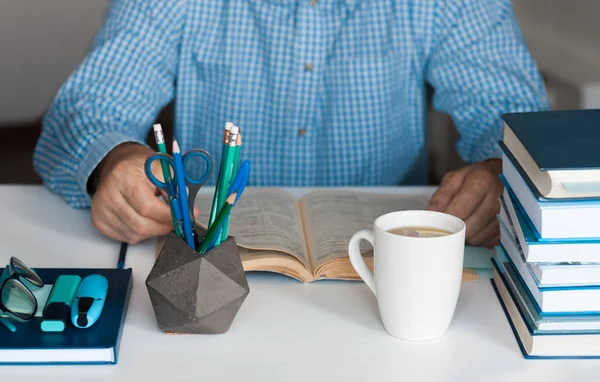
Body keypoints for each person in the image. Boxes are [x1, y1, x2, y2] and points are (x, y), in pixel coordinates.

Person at [33, 0, 550, 247]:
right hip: (205, 256)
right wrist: (115, 162)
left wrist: (495, 173)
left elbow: (519, 120)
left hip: (389, 260)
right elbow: (85, 109)